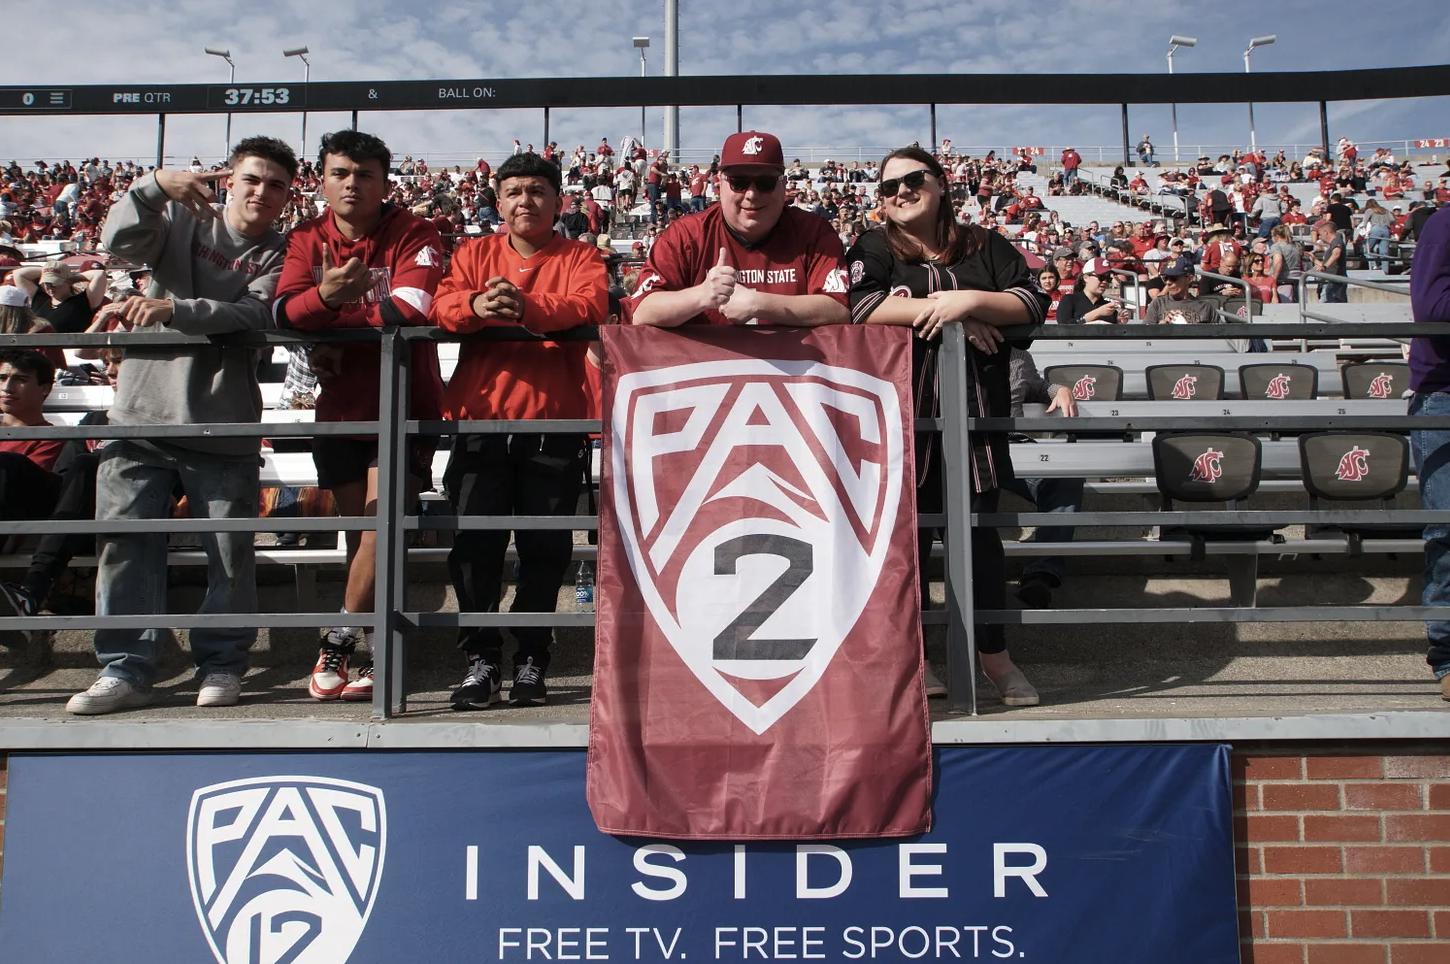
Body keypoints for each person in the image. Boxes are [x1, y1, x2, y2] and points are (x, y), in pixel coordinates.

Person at [65, 136, 297, 715]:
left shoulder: (282, 252)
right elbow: (116, 241)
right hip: (141, 411)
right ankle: (126, 669)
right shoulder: (179, 218)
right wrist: (150, 187)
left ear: (288, 196)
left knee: (229, 556)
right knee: (125, 551)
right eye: (251, 179)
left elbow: (253, 315)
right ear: (229, 181)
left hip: (223, 426)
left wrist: (175, 310)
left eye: (275, 185)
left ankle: (221, 664)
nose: (261, 192)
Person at [846, 146, 1050, 706]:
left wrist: (972, 301)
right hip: (900, 419)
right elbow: (861, 308)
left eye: (913, 180)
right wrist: (952, 311)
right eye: (888, 188)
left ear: (939, 184)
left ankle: (996, 659)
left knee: (980, 542)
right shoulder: (873, 245)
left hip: (975, 420)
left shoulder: (984, 244)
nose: (900, 193)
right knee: (903, 546)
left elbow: (1033, 301)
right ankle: (917, 657)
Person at [432, 152, 608, 709]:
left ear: (558, 201)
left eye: (536, 191)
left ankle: (533, 657)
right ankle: (480, 658)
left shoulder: (581, 255)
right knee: (474, 549)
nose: (524, 201)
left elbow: (590, 305)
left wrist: (523, 305)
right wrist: (479, 304)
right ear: (498, 200)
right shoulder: (472, 252)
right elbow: (442, 305)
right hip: (479, 424)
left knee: (545, 550)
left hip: (553, 426)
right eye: (513, 191)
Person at [274, 129, 446, 703]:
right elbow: (282, 313)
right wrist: (319, 306)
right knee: (365, 537)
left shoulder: (416, 232)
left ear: (383, 181)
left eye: (364, 174)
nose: (352, 183)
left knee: (379, 526)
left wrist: (324, 307)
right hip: (340, 407)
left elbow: (409, 307)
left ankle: (340, 640)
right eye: (341, 172)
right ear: (322, 179)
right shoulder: (306, 236)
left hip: (403, 404)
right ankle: (380, 648)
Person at [625, 130, 849, 330]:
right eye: (739, 182)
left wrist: (759, 303)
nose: (752, 194)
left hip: (796, 373)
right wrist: (702, 295)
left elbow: (838, 308)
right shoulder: (687, 235)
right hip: (705, 372)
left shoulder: (813, 232)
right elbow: (643, 310)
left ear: (783, 186)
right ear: (719, 185)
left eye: (765, 183)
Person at [1409, 204, 1450, 700]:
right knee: (1447, 528)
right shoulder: (1445, 222)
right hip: (1444, 392)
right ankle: (1448, 657)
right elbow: (1434, 309)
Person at [1005, 348, 1082, 609]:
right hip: (969, 448)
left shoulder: (1018, 354)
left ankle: (1042, 573)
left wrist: (1059, 390)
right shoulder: (947, 346)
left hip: (1014, 447)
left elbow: (1037, 386)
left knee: (1065, 477)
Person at [0, 349, 65, 522]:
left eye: (21, 380)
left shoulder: (51, 439)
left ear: (45, 388)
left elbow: (21, 489)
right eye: (2, 378)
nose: (7, 388)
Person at [10, 261, 106, 333]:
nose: (49, 287)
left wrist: (72, 277)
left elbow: (99, 274)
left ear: (68, 282)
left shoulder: (83, 301)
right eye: (46, 283)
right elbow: (18, 274)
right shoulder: (39, 299)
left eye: (55, 283)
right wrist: (46, 271)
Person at [1056, 258, 1124, 325]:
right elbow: (1063, 327)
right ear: (1086, 278)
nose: (1104, 281)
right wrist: (1097, 312)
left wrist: (1119, 322)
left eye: (1108, 278)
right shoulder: (1070, 300)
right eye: (1101, 277)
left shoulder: (1109, 308)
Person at [1311, 218, 1348, 304]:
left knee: (1326, 305)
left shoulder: (1337, 240)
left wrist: (1325, 266)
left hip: (1333, 281)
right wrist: (1313, 258)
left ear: (1326, 232)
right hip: (1329, 280)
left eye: (1320, 234)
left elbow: (1336, 253)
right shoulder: (1331, 245)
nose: (1320, 237)